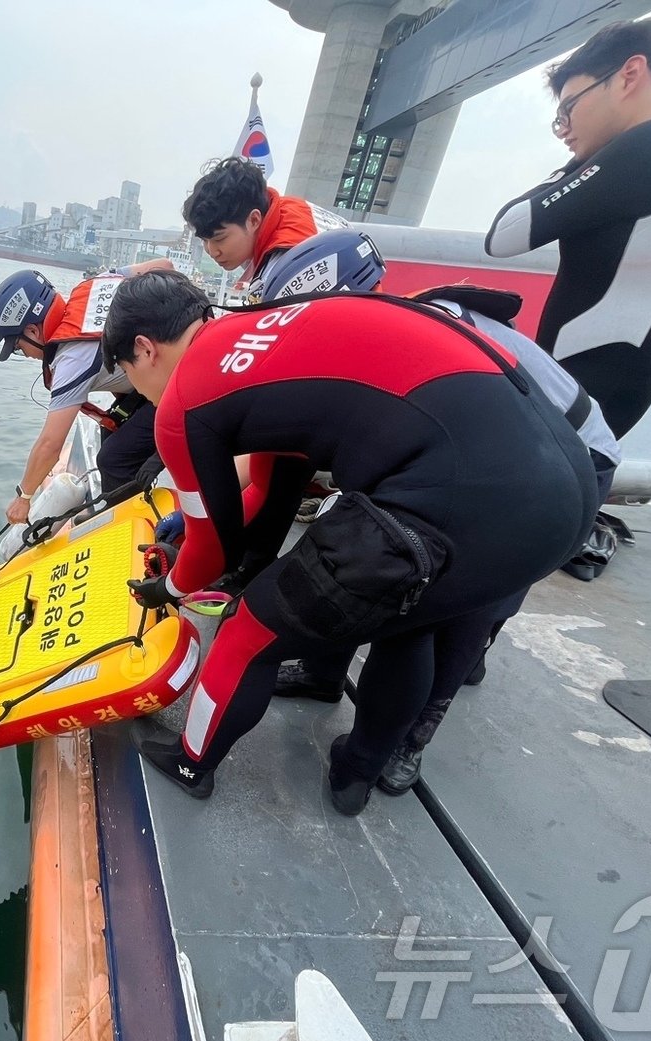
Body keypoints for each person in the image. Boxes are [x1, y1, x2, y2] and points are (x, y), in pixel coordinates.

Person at [101, 270, 597, 814]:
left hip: (461, 497)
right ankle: (357, 768)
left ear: (144, 349)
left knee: (248, 630)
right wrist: (207, 543)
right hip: (566, 491)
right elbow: (268, 485)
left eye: (128, 373)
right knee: (411, 622)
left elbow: (211, 552)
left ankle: (191, 762)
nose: (139, 392)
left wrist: (170, 587)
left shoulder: (184, 402)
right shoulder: (261, 334)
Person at [258, 231, 624, 792]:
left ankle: (408, 740)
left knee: (452, 606)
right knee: (363, 556)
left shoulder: (431, 339)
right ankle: (324, 672)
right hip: (481, 451)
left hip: (564, 463)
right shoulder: (380, 337)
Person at [485, 15, 651, 439]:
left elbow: (505, 234)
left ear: (630, 74)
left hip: (578, 384)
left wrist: (576, 165)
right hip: (614, 382)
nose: (564, 129)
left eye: (569, 107)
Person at [0, 261, 173, 524]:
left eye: (18, 347)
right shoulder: (93, 287)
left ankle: (130, 525)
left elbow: (50, 444)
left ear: (32, 331)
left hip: (179, 384)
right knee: (113, 429)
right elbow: (165, 265)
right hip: (169, 370)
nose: (25, 355)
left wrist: (23, 498)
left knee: (114, 460)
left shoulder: (71, 359)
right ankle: (121, 502)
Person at [182, 157, 349, 303]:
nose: (212, 252)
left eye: (220, 239)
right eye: (204, 240)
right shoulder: (290, 208)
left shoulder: (285, 266)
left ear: (254, 220)